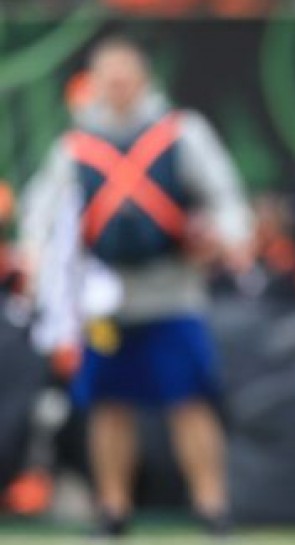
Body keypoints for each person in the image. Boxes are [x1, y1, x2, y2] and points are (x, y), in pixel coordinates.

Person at [19, 36, 252, 537]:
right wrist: (38, 262)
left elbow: (225, 196)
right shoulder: (75, 146)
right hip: (105, 295)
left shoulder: (180, 133)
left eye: (126, 75)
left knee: (189, 400)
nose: (119, 85)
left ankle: (212, 506)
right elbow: (41, 213)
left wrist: (225, 238)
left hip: (174, 288)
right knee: (108, 404)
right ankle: (113, 507)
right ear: (95, 83)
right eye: (109, 76)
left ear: (144, 78)